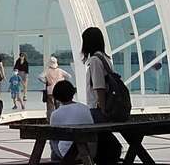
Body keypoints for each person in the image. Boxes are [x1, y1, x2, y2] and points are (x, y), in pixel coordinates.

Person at [82, 27, 122, 165]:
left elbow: (99, 87)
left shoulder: (94, 60)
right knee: (104, 141)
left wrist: (103, 108)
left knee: (100, 142)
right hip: (105, 106)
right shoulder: (105, 58)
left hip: (97, 107)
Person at [50, 80, 95, 161]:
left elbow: (54, 135)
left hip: (68, 154)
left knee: (52, 138)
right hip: (90, 151)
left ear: (56, 97)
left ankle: (56, 160)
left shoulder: (55, 114)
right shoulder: (85, 108)